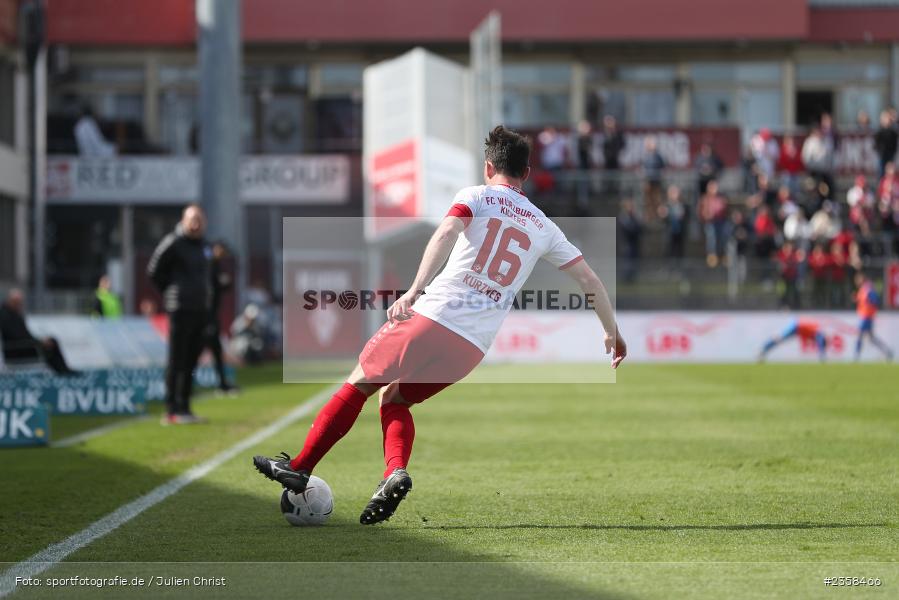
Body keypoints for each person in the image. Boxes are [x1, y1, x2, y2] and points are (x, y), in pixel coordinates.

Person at [252, 126, 626, 525]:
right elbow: (589, 279)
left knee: (361, 380)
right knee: (394, 399)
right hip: (472, 347)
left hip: (434, 317)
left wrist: (414, 290)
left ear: (488, 167)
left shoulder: (476, 196)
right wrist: (611, 331)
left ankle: (302, 466)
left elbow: (446, 231)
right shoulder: (544, 225)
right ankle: (393, 473)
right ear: (527, 173)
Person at [147, 204, 211, 425]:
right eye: (192, 219)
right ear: (183, 221)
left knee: (192, 361)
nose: (196, 224)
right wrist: (172, 292)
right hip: (180, 309)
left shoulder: (203, 246)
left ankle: (185, 407)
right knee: (177, 361)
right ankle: (171, 409)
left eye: (199, 220)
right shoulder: (173, 242)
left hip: (199, 309)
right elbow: (154, 270)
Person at [0, 289, 78, 374]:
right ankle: (62, 371)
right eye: (18, 302)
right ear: (11, 301)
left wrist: (40, 342)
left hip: (25, 346)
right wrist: (39, 343)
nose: (20, 305)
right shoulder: (6, 316)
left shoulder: (15, 315)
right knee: (50, 346)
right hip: (18, 350)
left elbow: (25, 335)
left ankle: (63, 370)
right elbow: (17, 337)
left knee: (51, 342)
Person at [205, 241, 238, 394]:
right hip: (204, 315)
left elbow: (222, 285)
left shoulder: (216, 265)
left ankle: (222, 383)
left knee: (216, 350)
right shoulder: (208, 264)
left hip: (210, 315)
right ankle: (183, 389)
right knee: (195, 351)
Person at [853, 274, 893, 361]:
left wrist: (871, 303)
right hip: (866, 316)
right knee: (871, 338)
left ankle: (856, 356)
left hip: (866, 316)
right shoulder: (863, 289)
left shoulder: (867, 289)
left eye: (858, 280)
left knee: (860, 335)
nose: (856, 282)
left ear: (861, 280)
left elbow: (874, 299)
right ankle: (887, 352)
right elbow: (864, 301)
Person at [758, 318, 827, 362]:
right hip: (796, 326)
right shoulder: (818, 332)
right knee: (780, 338)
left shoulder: (815, 331)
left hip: (797, 326)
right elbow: (820, 341)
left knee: (780, 338)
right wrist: (822, 354)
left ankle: (764, 350)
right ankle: (764, 348)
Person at [874, 110, 897, 178]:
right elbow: (876, 143)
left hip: (890, 154)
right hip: (882, 155)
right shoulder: (879, 131)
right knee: (881, 172)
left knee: (890, 173)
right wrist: (880, 151)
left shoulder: (893, 132)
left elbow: (894, 144)